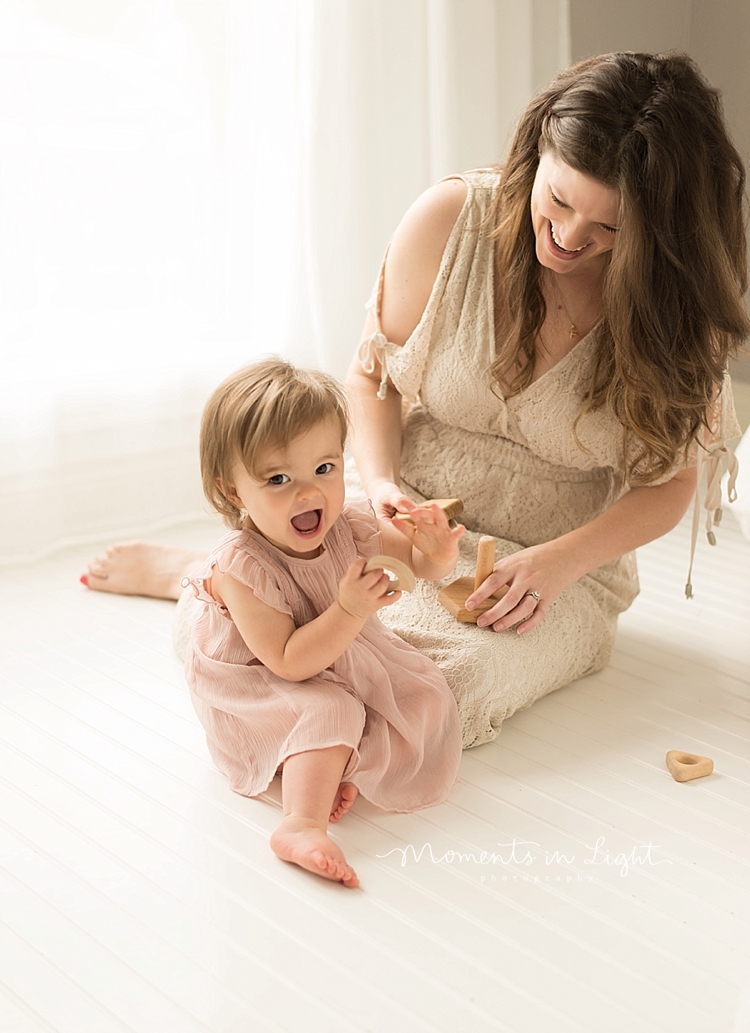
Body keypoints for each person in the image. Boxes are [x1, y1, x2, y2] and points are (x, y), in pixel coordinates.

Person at [82, 52, 745, 749]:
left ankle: (234, 585)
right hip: (411, 519)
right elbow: (371, 379)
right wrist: (383, 485)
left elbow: (672, 483)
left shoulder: (676, 303)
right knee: (223, 632)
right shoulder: (452, 221)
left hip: (553, 563)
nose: (571, 237)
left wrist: (558, 565)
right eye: (559, 201)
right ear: (538, 148)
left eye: (610, 228)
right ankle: (214, 578)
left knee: (446, 685)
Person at [177, 359, 464, 888]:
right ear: (235, 491)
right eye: (279, 479)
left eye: (324, 470)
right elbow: (289, 663)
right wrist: (351, 610)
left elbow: (414, 568)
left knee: (422, 696)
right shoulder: (244, 567)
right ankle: (301, 824)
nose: (308, 494)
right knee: (330, 708)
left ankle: (327, 768)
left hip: (330, 643)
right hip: (261, 676)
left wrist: (438, 552)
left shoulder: (349, 523)